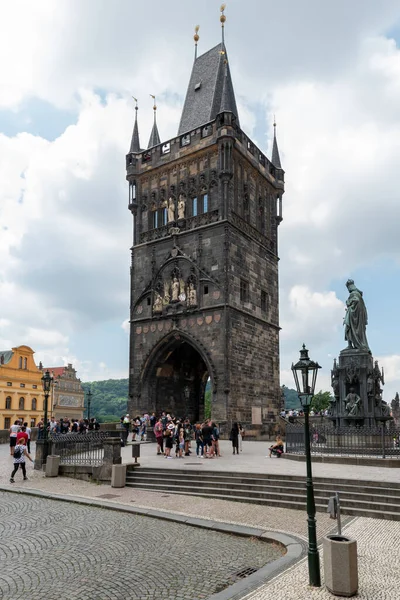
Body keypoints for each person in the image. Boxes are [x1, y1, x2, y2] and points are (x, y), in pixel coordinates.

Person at [343, 279, 370, 352]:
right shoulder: (358, 294)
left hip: (353, 316)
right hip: (358, 318)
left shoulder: (353, 294)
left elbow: (356, 300)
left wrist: (349, 304)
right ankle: (351, 345)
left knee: (348, 329)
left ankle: (350, 345)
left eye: (348, 288)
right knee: (353, 331)